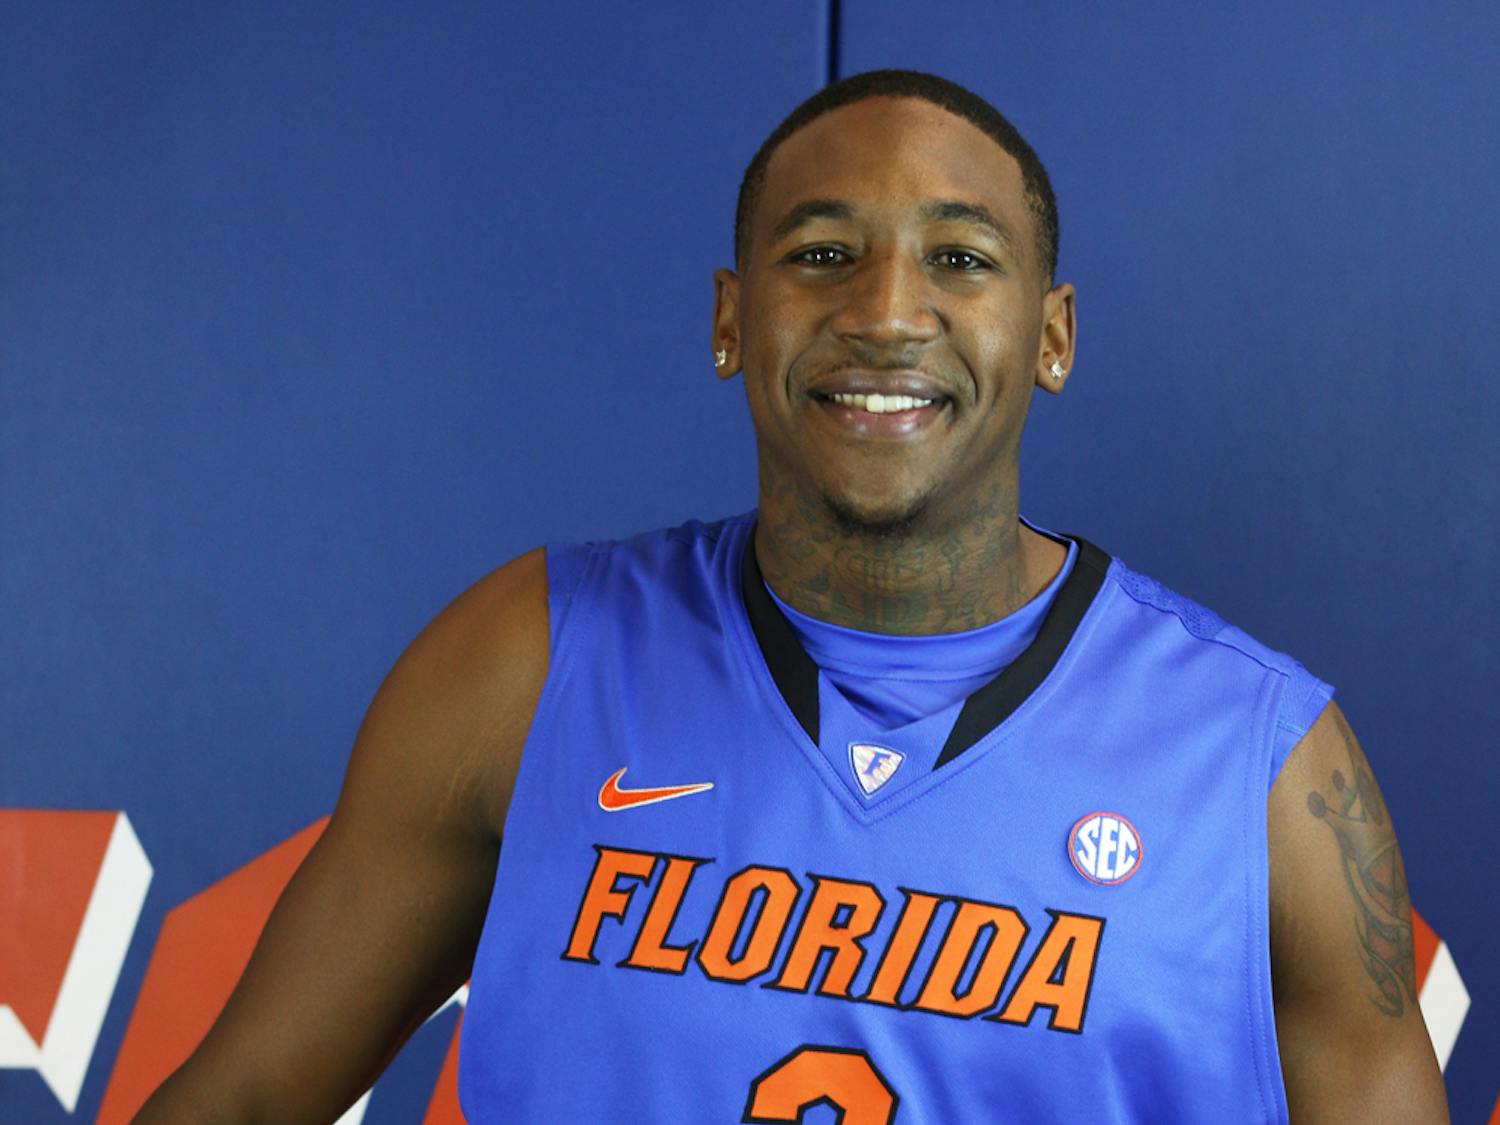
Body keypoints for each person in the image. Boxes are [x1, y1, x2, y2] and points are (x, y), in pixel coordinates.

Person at [136, 69, 1449, 1123]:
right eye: (823, 254)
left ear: (1051, 336)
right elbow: (245, 1097)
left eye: (960, 259)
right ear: (731, 318)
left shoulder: (1265, 765)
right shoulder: (528, 662)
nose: (886, 312)